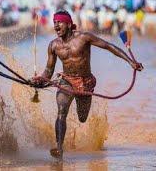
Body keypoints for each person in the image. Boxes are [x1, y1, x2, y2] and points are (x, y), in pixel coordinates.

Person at [31, 10, 143, 159]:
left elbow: (109, 46)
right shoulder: (53, 46)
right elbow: (48, 71)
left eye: (60, 22)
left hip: (85, 83)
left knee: (82, 117)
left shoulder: (84, 37)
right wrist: (40, 79)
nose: (56, 26)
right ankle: (59, 148)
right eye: (55, 23)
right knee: (61, 110)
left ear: (69, 24)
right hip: (67, 81)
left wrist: (131, 62)